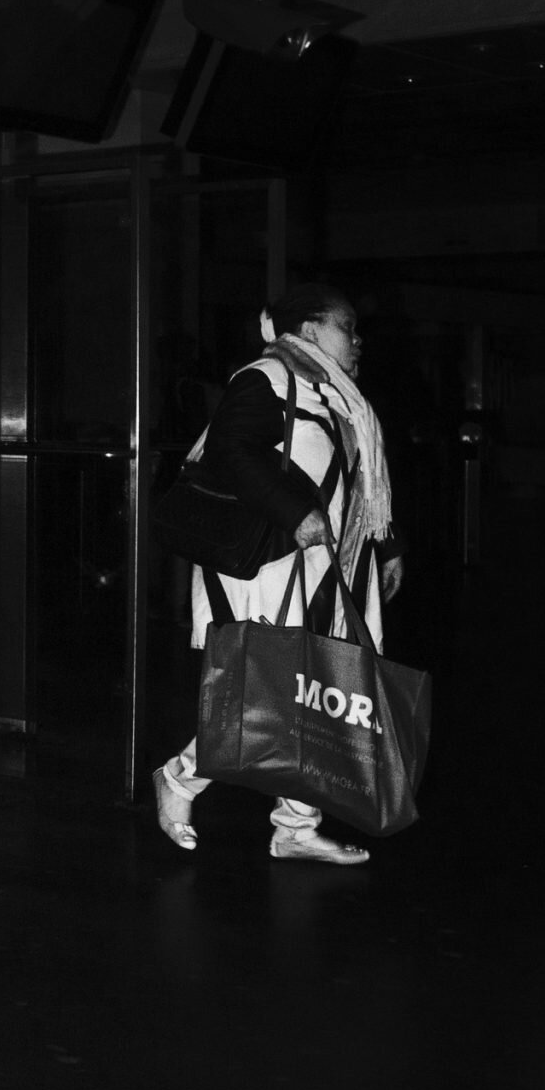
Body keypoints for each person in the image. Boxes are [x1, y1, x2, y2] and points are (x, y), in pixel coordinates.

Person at [154, 283, 404, 865]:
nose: (358, 339)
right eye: (347, 327)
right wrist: (296, 514)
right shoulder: (265, 378)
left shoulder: (337, 395)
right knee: (270, 689)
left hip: (327, 565)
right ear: (311, 330)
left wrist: (388, 547)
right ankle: (180, 777)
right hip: (270, 564)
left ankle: (295, 824)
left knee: (318, 690)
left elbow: (361, 479)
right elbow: (230, 451)